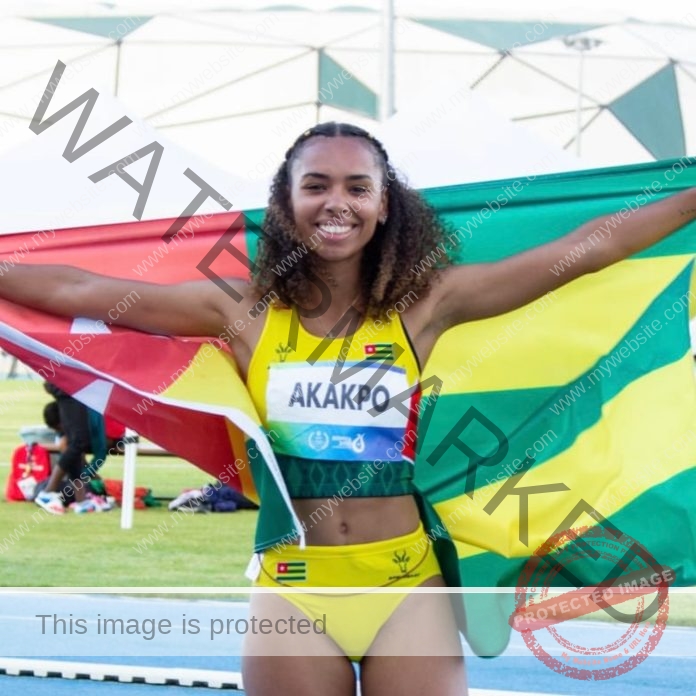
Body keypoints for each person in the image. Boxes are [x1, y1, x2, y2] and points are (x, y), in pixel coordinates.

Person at [0, 121, 694, 694]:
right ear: (287, 202)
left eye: (359, 187)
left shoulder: (426, 306)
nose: (339, 202)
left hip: (405, 585)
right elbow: (82, 287)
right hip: (293, 588)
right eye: (317, 185)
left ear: (384, 204)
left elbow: (585, 250)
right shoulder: (241, 312)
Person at [36, 382, 112, 514]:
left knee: (76, 442)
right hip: (69, 386)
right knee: (78, 441)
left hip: (73, 387)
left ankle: (81, 500)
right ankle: (48, 492)